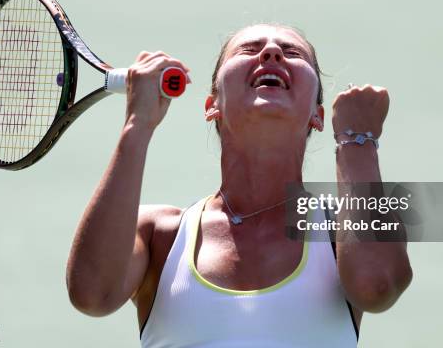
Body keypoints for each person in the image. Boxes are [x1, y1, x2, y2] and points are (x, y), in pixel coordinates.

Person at [66, 24, 413, 347]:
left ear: (318, 115)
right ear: (212, 105)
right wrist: (137, 123)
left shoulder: (345, 229)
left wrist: (358, 142)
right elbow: (92, 294)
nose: (272, 52)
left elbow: (377, 286)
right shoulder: (158, 233)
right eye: (248, 49)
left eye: (292, 54)